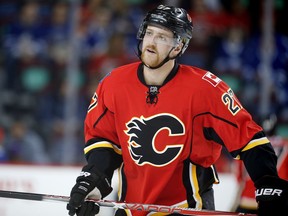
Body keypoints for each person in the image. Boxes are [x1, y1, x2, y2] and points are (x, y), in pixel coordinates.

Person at [66, 4, 288, 216]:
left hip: (187, 209)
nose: (151, 42)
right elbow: (103, 142)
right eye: (150, 33)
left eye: (162, 37)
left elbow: (249, 139)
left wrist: (268, 184)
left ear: (179, 46)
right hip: (130, 209)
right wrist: (94, 182)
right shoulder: (113, 84)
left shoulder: (205, 89)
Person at [233, 115, 288, 214]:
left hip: (247, 201)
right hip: (275, 202)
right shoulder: (286, 145)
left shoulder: (247, 144)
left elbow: (240, 177)